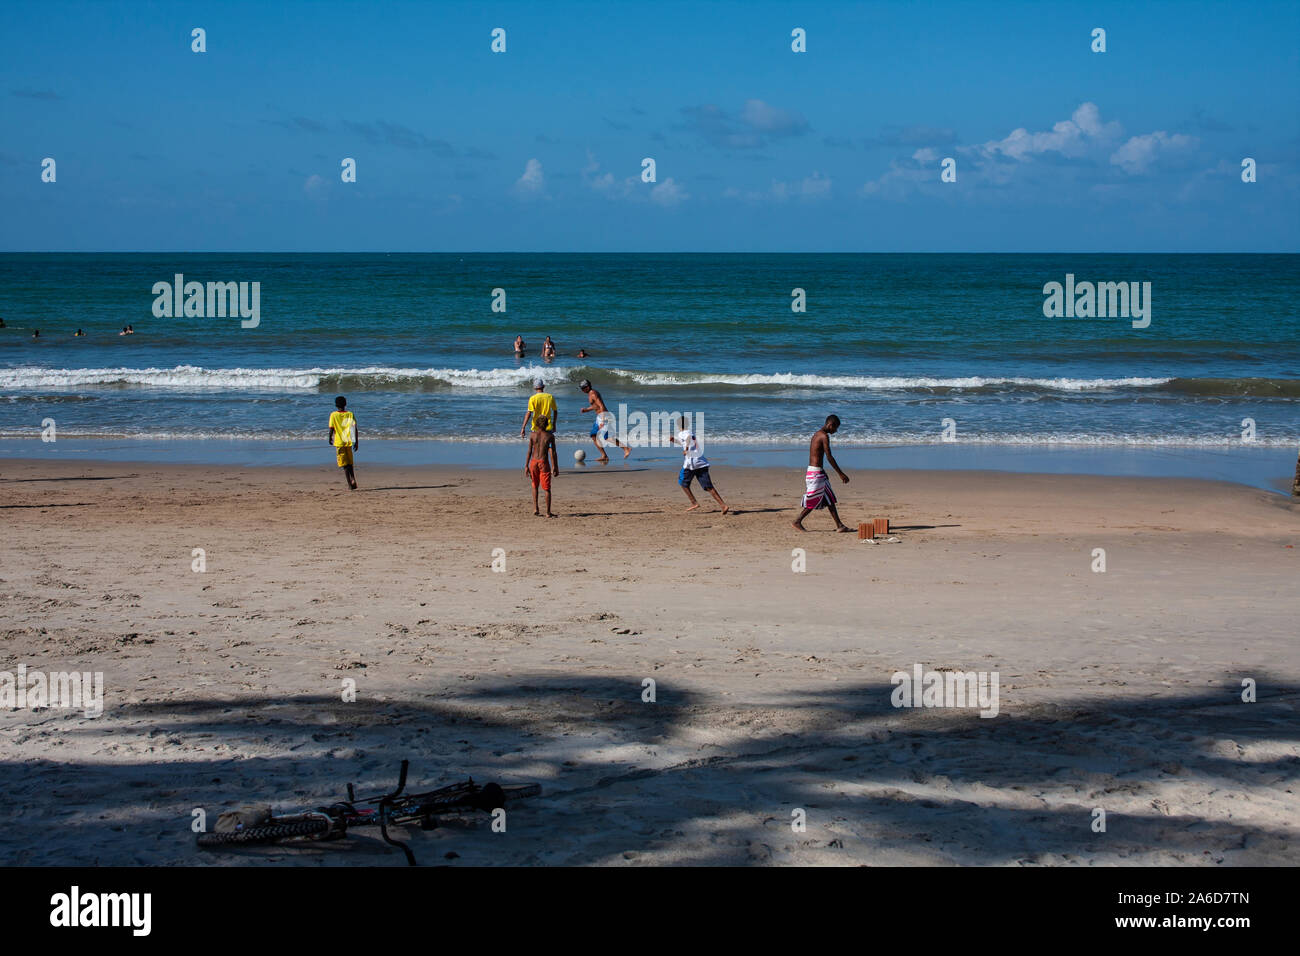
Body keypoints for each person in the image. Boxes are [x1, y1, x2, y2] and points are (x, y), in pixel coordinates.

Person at [792, 414, 851, 533]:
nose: (836, 431)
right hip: (815, 474)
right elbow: (829, 457)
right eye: (836, 428)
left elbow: (816, 457)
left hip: (816, 472)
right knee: (813, 500)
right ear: (830, 425)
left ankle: (840, 525)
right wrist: (840, 473)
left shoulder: (816, 434)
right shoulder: (824, 436)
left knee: (830, 499)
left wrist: (823, 472)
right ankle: (797, 521)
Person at [670, 415, 727, 513]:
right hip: (701, 462)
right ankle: (723, 505)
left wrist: (686, 448)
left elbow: (687, 440)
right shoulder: (691, 432)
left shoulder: (682, 433)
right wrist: (674, 441)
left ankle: (694, 503)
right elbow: (685, 441)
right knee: (709, 487)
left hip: (691, 464)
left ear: (678, 425)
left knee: (683, 483)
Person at [578, 379, 630, 461]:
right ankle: (604, 456)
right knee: (593, 435)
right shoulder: (591, 393)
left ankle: (626, 448)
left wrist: (602, 421)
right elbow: (595, 406)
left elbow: (601, 405)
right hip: (599, 417)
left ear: (587, 387)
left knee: (607, 437)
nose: (582, 390)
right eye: (581, 388)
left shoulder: (593, 394)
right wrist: (586, 410)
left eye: (583, 388)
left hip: (604, 417)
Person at [525, 414, 558, 517]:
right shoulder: (550, 436)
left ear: (536, 423)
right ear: (547, 424)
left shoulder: (532, 435)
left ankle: (536, 508)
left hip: (533, 462)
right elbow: (553, 453)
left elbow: (529, 451)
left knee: (535, 485)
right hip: (543, 462)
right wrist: (555, 466)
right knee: (547, 488)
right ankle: (548, 512)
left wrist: (526, 465)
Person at [327, 395, 359, 490]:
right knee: (350, 462)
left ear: (336, 405)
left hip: (339, 442)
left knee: (344, 464)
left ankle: (349, 484)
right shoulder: (350, 414)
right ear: (345, 404)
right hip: (348, 441)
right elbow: (354, 429)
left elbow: (331, 429)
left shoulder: (333, 415)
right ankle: (353, 478)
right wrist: (356, 442)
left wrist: (329, 438)